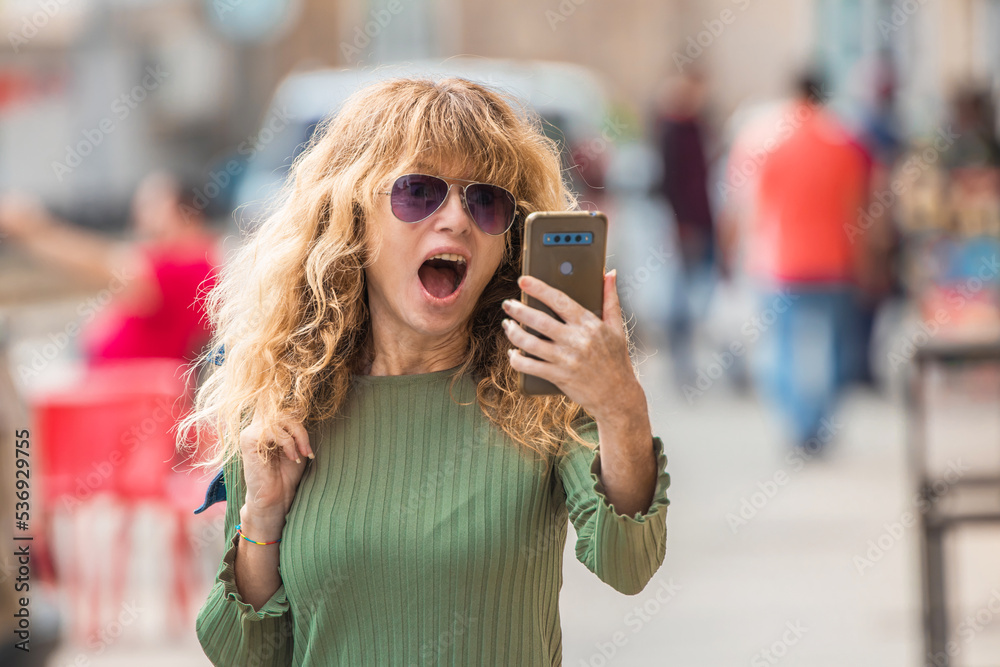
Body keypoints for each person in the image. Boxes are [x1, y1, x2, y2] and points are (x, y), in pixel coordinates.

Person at [181, 77, 671, 666]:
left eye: (486, 201)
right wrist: (261, 518)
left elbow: (629, 563)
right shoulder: (286, 395)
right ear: (352, 216)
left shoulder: (542, 387)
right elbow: (244, 654)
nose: (457, 220)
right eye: (419, 193)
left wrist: (621, 405)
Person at [744, 72, 870, 454]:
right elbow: (858, 210)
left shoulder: (770, 142)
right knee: (835, 347)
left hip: (783, 263)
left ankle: (797, 424)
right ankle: (819, 424)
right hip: (835, 262)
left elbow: (757, 209)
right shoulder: (845, 143)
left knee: (782, 347)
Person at [0, 171, 221, 367]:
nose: (139, 216)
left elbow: (94, 262)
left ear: (188, 211)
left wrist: (34, 228)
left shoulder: (189, 262)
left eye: (151, 206)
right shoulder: (181, 258)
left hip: (138, 393)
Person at [653, 70, 717, 385]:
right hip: (685, 225)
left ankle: (687, 360)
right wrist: (680, 224)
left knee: (697, 297)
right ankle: (681, 362)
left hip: (702, 223)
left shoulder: (697, 128)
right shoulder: (673, 131)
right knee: (680, 297)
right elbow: (671, 183)